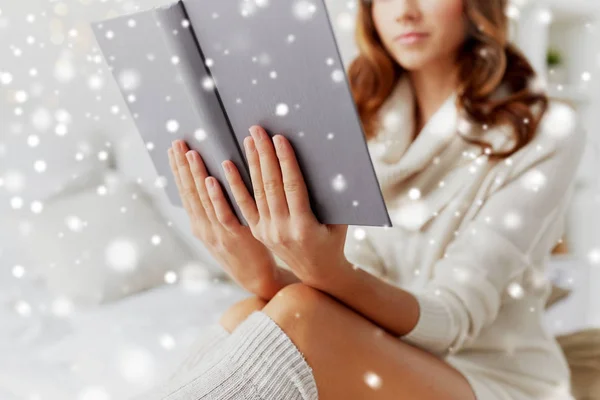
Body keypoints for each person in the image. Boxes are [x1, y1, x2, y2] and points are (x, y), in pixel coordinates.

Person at [143, 0, 586, 399]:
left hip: (491, 378)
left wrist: (328, 272)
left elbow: (452, 320)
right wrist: (262, 274)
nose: (404, 11)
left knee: (299, 314)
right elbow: (346, 306)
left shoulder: (545, 132)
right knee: (251, 311)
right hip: (386, 355)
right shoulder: (358, 118)